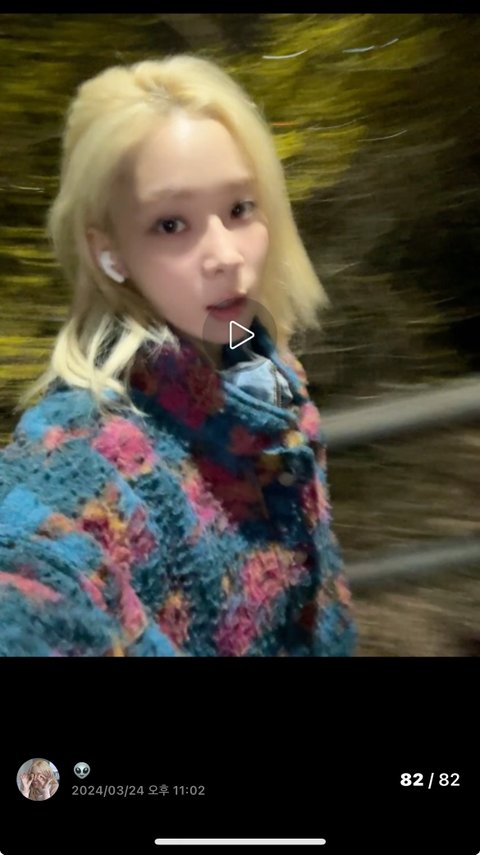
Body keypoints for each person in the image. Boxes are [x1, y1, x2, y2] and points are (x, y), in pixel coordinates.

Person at [0, 54, 356, 656]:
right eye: (171, 224)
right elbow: (34, 574)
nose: (226, 255)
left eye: (240, 209)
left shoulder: (262, 366)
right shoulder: (95, 452)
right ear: (110, 251)